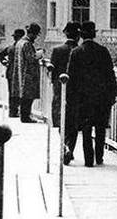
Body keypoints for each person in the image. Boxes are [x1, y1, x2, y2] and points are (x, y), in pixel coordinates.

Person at [66, 21, 117, 167]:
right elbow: (110, 74)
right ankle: (99, 157)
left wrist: (70, 98)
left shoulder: (76, 52)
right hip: (101, 97)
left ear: (81, 35)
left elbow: (71, 77)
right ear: (94, 34)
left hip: (83, 98)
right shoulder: (103, 51)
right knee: (101, 127)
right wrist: (113, 93)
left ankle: (89, 160)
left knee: (86, 128)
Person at [52, 22, 81, 163]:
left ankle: (64, 146)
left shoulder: (57, 50)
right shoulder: (79, 50)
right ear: (78, 35)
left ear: (65, 34)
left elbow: (52, 76)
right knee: (74, 122)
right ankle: (70, 148)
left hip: (59, 92)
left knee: (61, 120)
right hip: (76, 93)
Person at [5, 23, 43, 122]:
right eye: (35, 35)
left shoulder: (19, 43)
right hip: (28, 75)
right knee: (28, 97)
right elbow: (31, 58)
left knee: (23, 97)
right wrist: (40, 53)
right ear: (33, 34)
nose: (35, 37)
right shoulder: (27, 44)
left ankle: (24, 116)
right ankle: (26, 117)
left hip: (20, 74)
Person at [0, 29, 26, 117]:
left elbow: (0, 55)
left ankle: (12, 111)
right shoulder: (20, 47)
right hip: (19, 73)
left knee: (12, 92)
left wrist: (5, 62)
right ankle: (17, 111)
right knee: (20, 93)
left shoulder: (10, 47)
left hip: (10, 72)